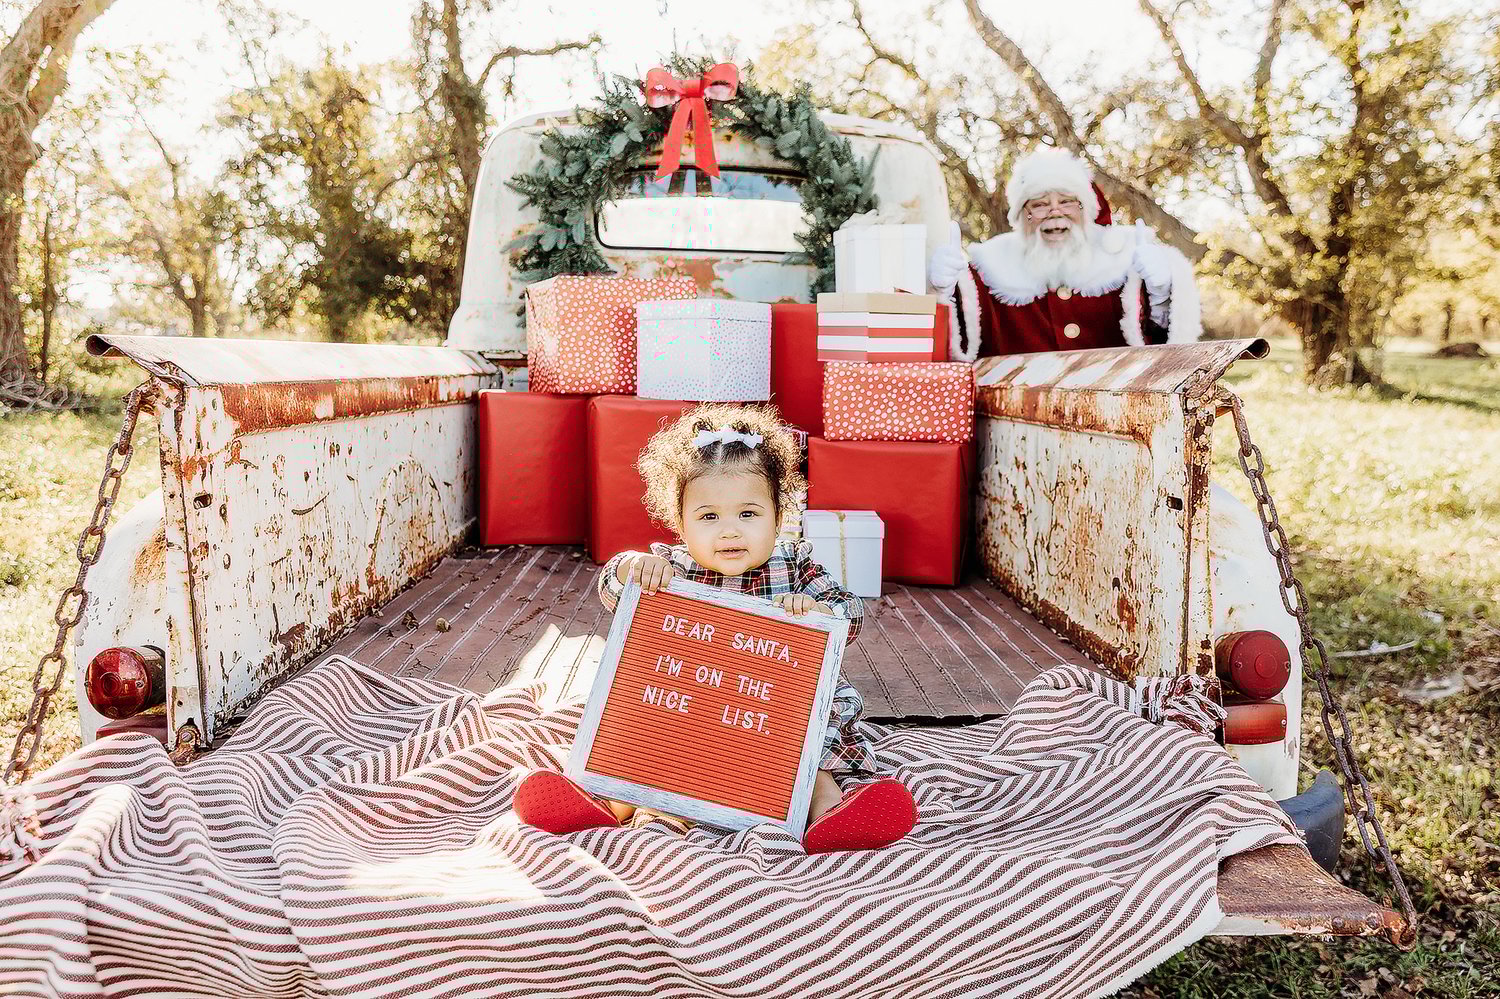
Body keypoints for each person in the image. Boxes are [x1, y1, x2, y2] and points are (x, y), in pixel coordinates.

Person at [512, 404, 919, 853]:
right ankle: (607, 802)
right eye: (709, 517)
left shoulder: (794, 565)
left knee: (816, 729)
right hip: (693, 703)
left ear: (778, 516)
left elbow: (850, 612)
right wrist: (630, 566)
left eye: (748, 514)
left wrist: (818, 611)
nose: (729, 532)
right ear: (680, 523)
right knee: (642, 728)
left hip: (773, 709)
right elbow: (614, 590)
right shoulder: (671, 567)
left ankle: (827, 809)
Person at [929, 146, 1201, 358]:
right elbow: (955, 349)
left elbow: (1161, 351)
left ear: (1085, 209)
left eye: (1067, 202)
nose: (1055, 212)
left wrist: (1161, 294)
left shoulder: (1124, 261)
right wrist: (942, 294)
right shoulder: (989, 269)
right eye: (1040, 204)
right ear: (1023, 215)